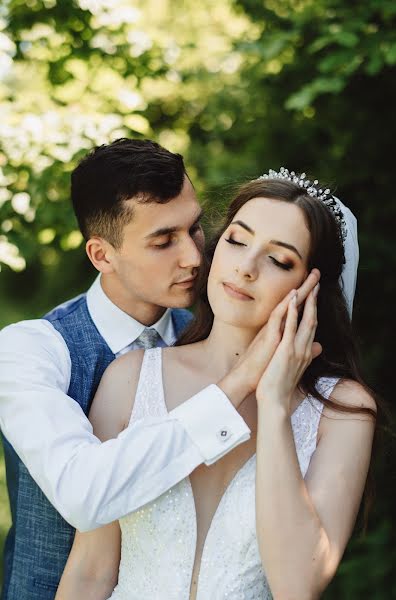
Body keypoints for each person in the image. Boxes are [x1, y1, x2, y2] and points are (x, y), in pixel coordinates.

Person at [0, 138, 302, 600]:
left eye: (195, 229)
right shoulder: (31, 350)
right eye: (163, 241)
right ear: (102, 255)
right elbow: (84, 493)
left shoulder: (212, 335)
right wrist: (234, 386)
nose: (194, 257)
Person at [56, 168, 376, 600]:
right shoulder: (132, 378)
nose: (245, 268)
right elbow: (90, 572)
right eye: (237, 241)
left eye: (279, 260)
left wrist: (275, 404)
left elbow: (298, 585)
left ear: (311, 288)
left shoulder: (341, 410)